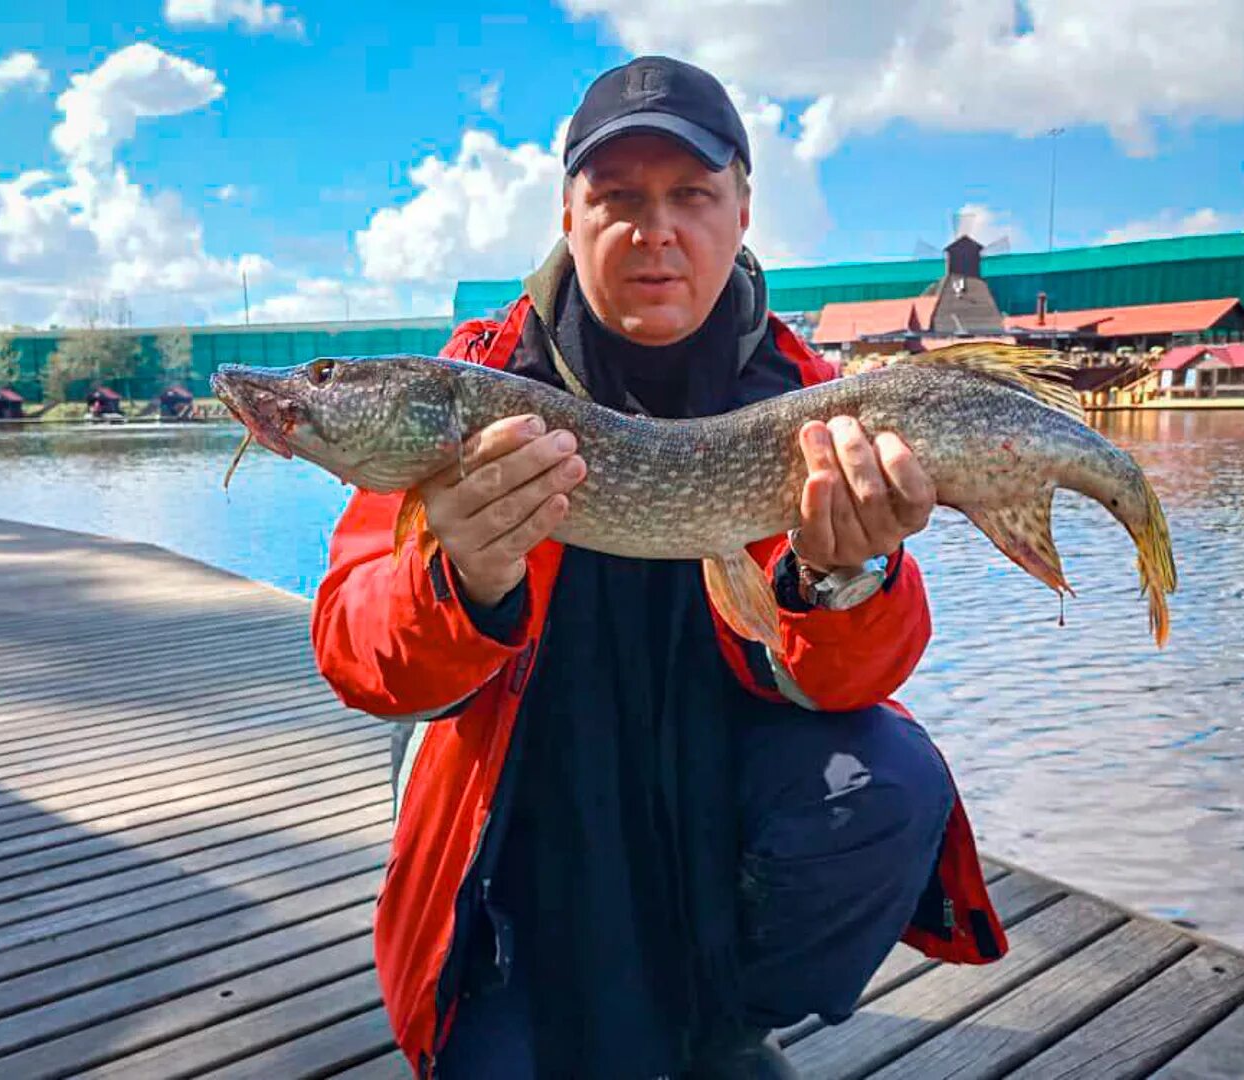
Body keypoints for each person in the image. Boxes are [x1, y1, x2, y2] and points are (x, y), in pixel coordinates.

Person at [314, 56, 1007, 1079]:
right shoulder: (473, 387)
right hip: (522, 823)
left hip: (710, 793)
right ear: (567, 212)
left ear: (741, 209)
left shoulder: (811, 399)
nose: (656, 231)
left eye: (691, 195)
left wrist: (848, 577)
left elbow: (858, 681)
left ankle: (730, 1013)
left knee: (890, 782)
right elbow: (355, 650)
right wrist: (460, 573)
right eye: (618, 198)